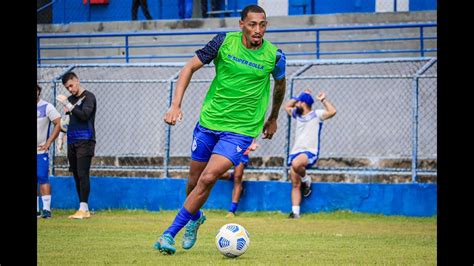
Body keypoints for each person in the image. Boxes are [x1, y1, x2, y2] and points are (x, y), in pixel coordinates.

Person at [155, 4, 286, 255]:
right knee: (193, 182)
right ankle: (195, 217)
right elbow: (188, 68)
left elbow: (280, 86)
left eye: (263, 24)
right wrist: (175, 105)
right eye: (252, 24)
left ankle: (169, 234)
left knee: (208, 178)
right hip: (209, 123)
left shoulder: (275, 56)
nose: (258, 30)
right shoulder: (223, 42)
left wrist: (273, 118)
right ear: (241, 24)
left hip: (241, 130)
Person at [284, 89, 336, 219]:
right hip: (295, 152)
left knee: (296, 164)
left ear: (304, 103)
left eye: (299, 102)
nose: (296, 104)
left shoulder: (317, 115)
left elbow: (332, 111)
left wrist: (323, 100)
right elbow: (287, 106)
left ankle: (306, 179)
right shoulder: (297, 114)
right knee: (295, 183)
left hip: (309, 152)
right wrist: (298, 96)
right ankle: (295, 213)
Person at [56, 72, 97, 219]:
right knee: (76, 175)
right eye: (67, 88)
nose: (70, 89)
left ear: (77, 81)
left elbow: (85, 115)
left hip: (85, 140)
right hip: (72, 140)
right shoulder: (71, 99)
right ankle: (82, 207)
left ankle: (84, 208)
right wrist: (61, 136)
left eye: (71, 86)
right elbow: (67, 120)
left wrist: (68, 104)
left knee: (82, 173)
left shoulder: (89, 97)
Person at [37, 84, 62, 219]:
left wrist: (48, 142)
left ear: (38, 92)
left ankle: (46, 210)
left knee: (42, 177)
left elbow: (59, 123)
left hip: (40, 151)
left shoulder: (47, 107)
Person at [220, 140, 258, 218]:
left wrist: (253, 144)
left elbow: (252, 137)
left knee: (238, 177)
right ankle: (233, 178)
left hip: (242, 153)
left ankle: (232, 210)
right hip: (227, 152)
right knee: (215, 174)